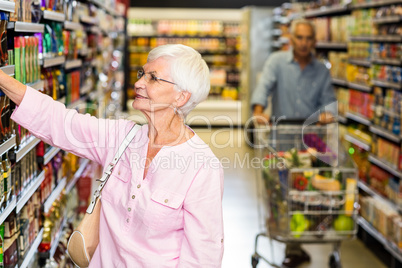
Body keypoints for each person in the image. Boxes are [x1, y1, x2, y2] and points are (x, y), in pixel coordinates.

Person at [1, 44, 224, 267]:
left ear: (181, 97)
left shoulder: (202, 167)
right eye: (142, 74)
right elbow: (60, 121)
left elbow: (202, 257)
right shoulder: (123, 138)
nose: (138, 83)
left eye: (153, 78)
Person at [250, 19, 336, 268]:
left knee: (305, 191)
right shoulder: (277, 62)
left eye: (309, 39)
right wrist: (258, 110)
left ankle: (301, 241)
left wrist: (327, 114)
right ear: (291, 39)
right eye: (299, 38)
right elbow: (263, 87)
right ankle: (294, 247)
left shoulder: (321, 71)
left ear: (314, 42)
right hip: (281, 140)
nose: (304, 43)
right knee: (285, 193)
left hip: (310, 145)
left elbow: (329, 102)